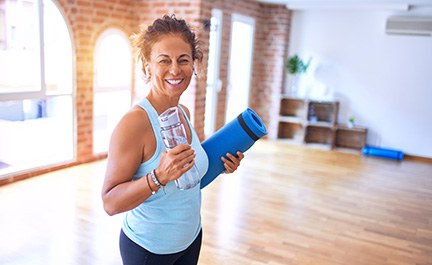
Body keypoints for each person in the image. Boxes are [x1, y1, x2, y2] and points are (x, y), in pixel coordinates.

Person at [101, 14, 245, 265]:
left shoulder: (183, 114)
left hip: (190, 239)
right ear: (147, 66)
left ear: (194, 65)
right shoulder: (134, 124)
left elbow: (188, 179)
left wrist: (222, 165)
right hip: (149, 250)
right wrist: (158, 177)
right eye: (164, 60)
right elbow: (110, 203)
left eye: (184, 60)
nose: (175, 69)